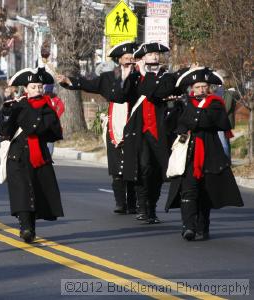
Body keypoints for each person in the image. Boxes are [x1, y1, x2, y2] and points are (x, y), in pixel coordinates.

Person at [57, 41, 138, 215]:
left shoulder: (140, 77)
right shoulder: (109, 78)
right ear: (119, 61)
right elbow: (88, 83)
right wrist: (68, 81)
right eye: (126, 59)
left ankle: (133, 203)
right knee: (117, 167)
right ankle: (120, 202)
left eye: (132, 59)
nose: (129, 62)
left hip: (134, 123)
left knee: (133, 166)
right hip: (114, 124)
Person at [165, 67, 243, 241]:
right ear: (191, 88)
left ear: (209, 88)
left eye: (203, 87)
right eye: (197, 87)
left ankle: (203, 227)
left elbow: (205, 122)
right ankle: (188, 227)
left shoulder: (215, 103)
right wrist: (172, 106)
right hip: (188, 152)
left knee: (204, 192)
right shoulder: (183, 102)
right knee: (188, 190)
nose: (200, 90)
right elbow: (174, 126)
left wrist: (189, 110)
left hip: (210, 152)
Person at [113, 42, 179, 224]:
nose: (155, 57)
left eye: (157, 54)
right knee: (143, 168)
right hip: (139, 133)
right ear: (142, 58)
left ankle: (152, 208)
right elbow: (121, 94)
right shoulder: (135, 78)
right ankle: (142, 207)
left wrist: (146, 75)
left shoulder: (167, 77)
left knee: (158, 171)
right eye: (150, 54)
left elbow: (158, 93)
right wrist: (130, 73)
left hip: (160, 132)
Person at [0, 67, 64, 243]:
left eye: (40, 87)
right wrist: (5, 114)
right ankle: (25, 227)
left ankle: (31, 228)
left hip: (38, 156)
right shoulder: (18, 105)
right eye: (33, 87)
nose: (37, 90)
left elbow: (53, 132)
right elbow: (4, 132)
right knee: (22, 193)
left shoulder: (48, 108)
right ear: (26, 89)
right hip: (17, 156)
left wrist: (33, 115)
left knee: (35, 192)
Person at [43, 84, 65, 156]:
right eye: (48, 92)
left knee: (46, 140)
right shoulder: (56, 99)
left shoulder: (43, 98)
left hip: (45, 122)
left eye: (48, 92)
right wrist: (56, 117)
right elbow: (61, 108)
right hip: (50, 122)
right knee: (49, 141)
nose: (48, 94)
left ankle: (46, 157)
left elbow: (62, 108)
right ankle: (48, 156)